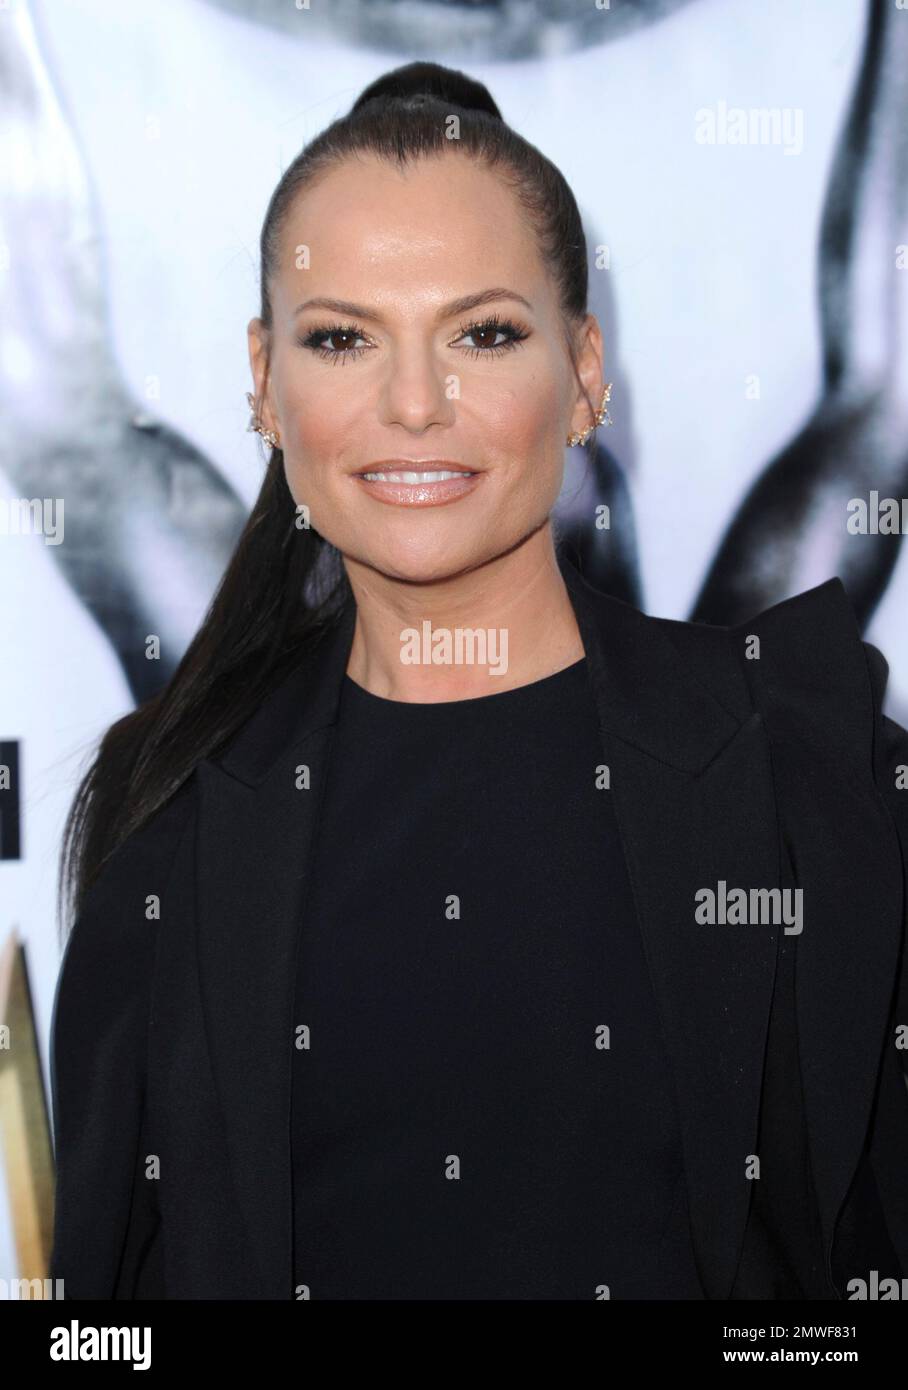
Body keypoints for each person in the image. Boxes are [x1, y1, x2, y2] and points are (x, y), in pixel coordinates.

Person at [50, 61, 908, 1301]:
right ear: (262, 381)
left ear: (586, 374)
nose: (413, 403)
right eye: (342, 338)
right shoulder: (173, 808)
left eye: (483, 333)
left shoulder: (799, 767)